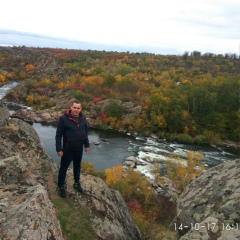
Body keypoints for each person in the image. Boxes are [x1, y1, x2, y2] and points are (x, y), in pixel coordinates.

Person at [55, 100, 90, 198]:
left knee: (77, 166)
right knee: (63, 168)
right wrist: (59, 148)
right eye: (74, 107)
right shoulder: (63, 119)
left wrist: (86, 145)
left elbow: (85, 132)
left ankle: (76, 182)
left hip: (79, 148)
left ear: (81, 109)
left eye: (78, 108)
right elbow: (58, 135)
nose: (76, 110)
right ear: (71, 107)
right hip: (68, 149)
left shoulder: (83, 118)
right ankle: (61, 186)